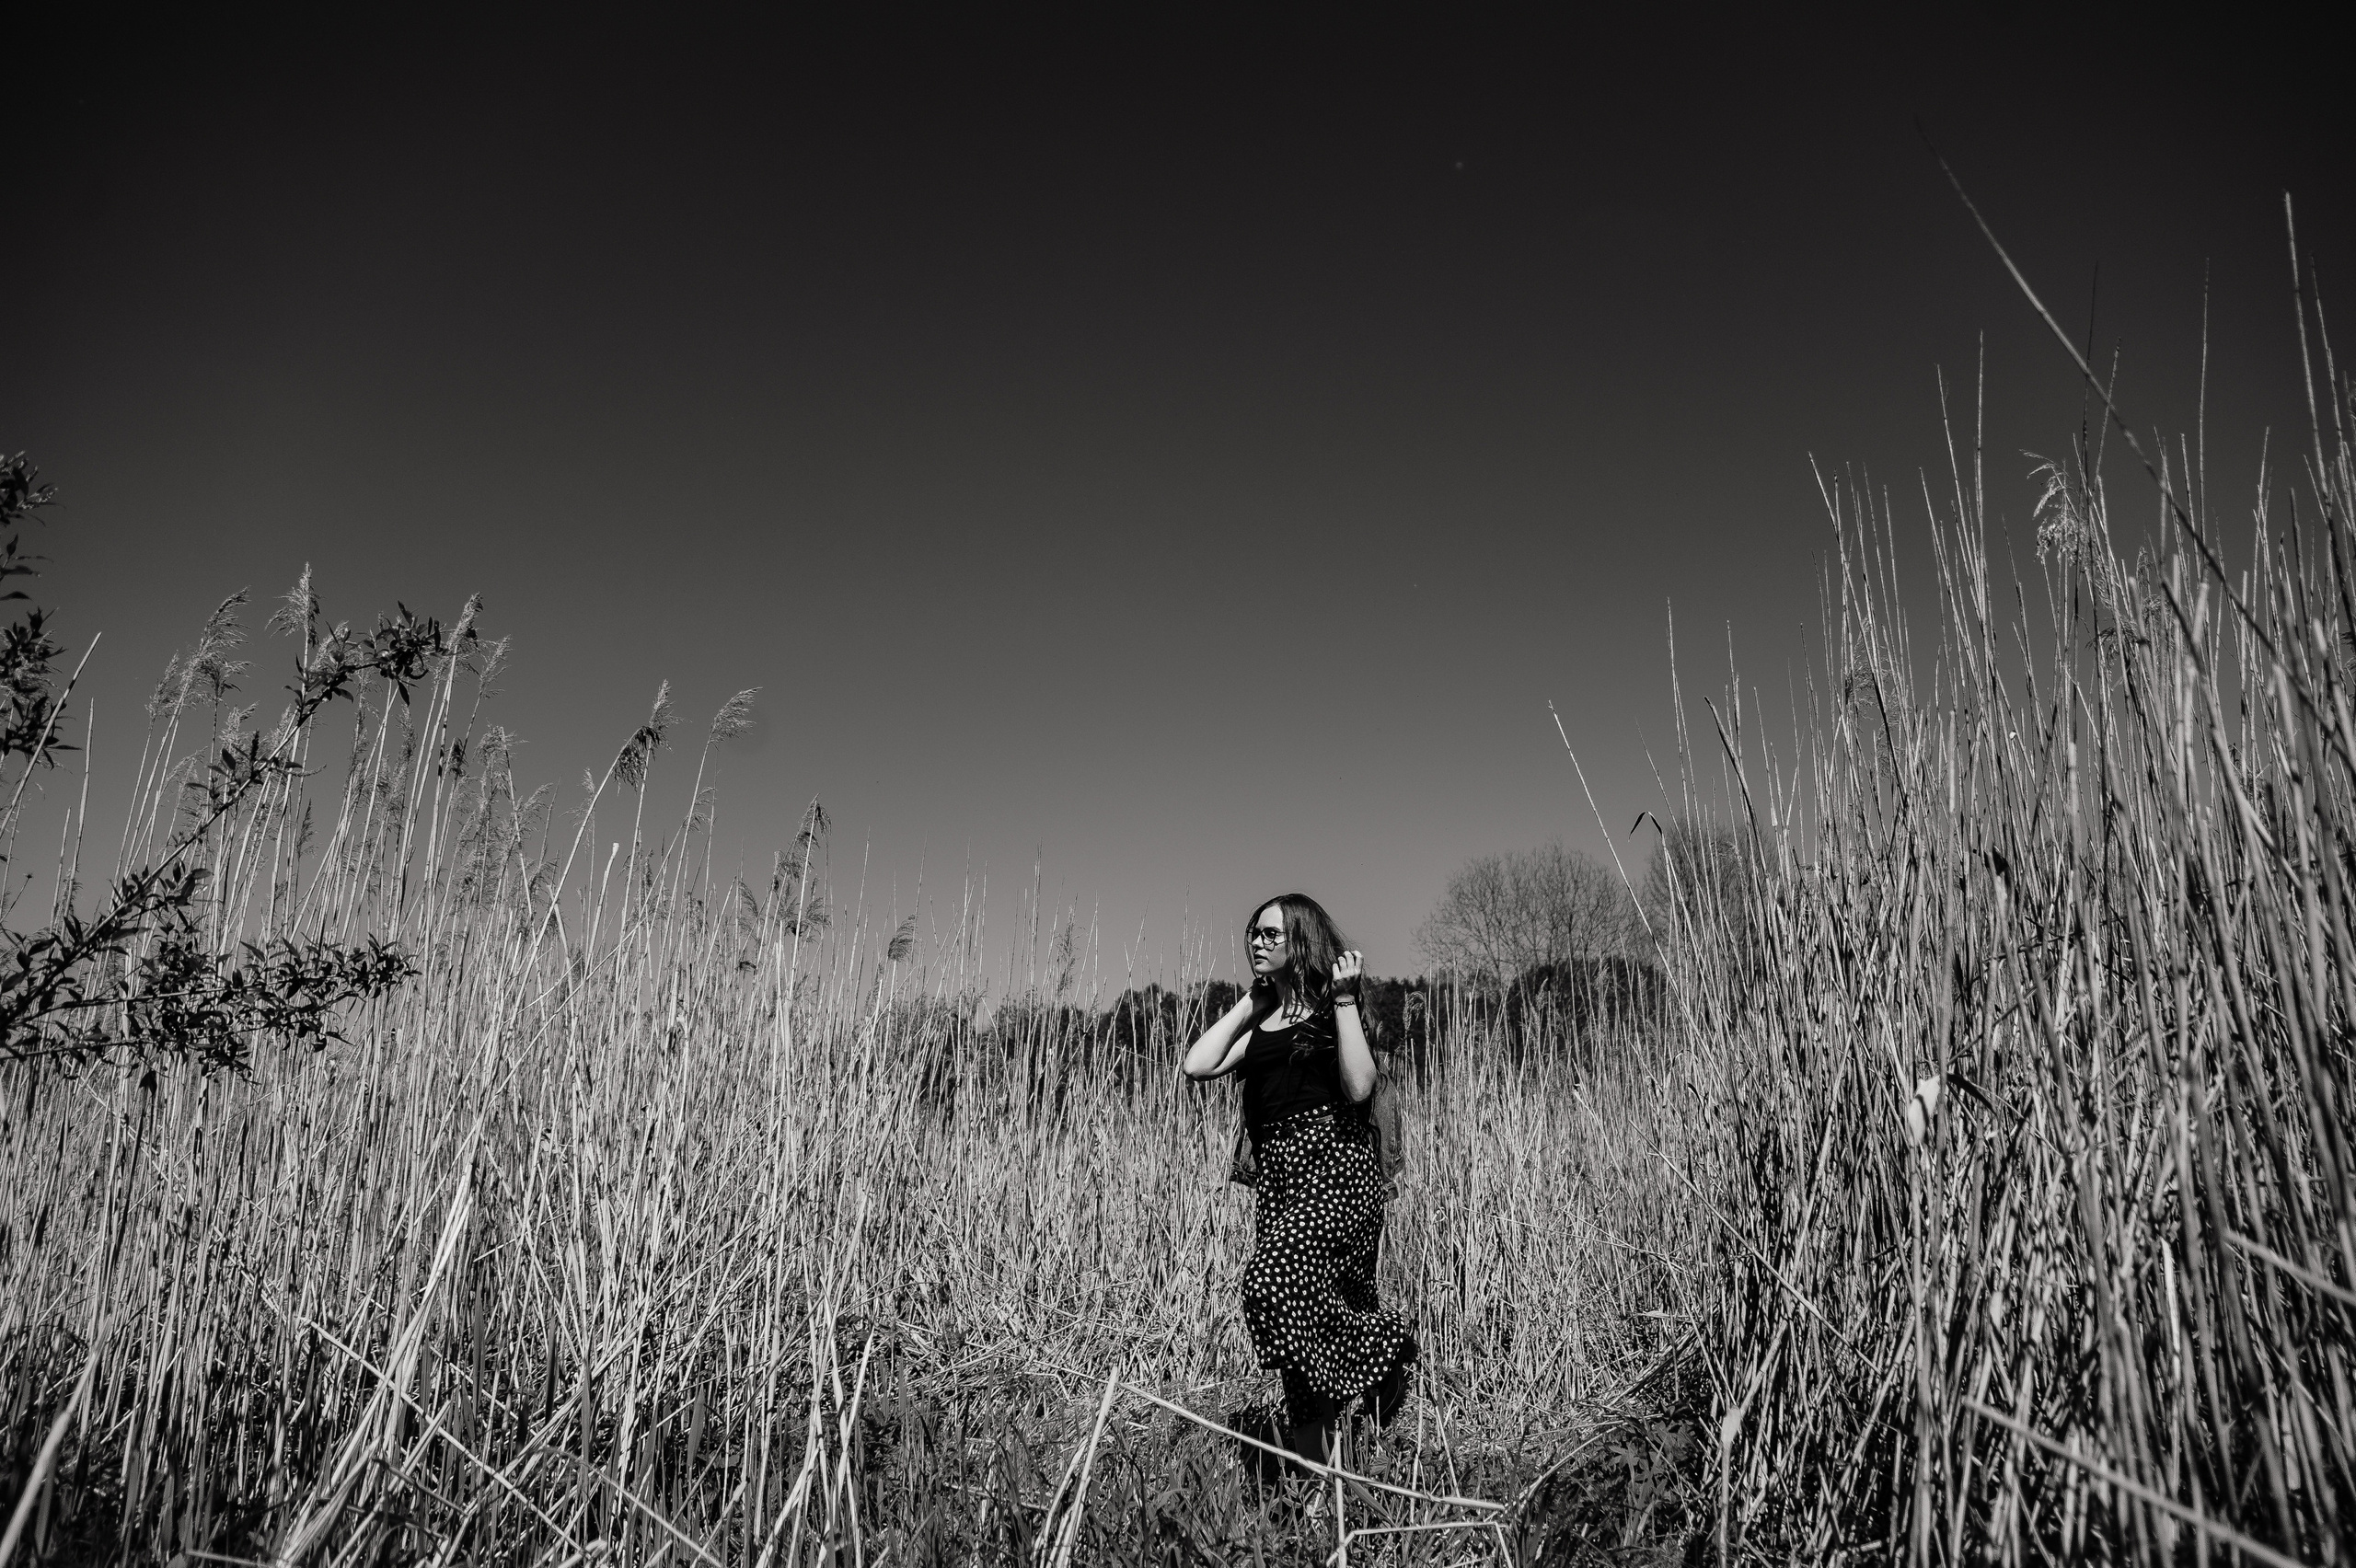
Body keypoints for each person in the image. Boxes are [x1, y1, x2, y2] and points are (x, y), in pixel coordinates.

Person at [1183, 893, 1417, 1465]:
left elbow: (1360, 1087)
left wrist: (1343, 1000)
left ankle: (1379, 1354)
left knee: (1270, 1281)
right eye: (1252, 935)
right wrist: (1249, 1003)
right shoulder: (1260, 1026)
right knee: (1298, 1317)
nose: (1256, 943)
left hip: (1336, 1168)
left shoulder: (1330, 1012)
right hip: (1282, 1184)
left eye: (1270, 935)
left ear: (1301, 942)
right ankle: (1313, 1472)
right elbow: (1198, 1064)